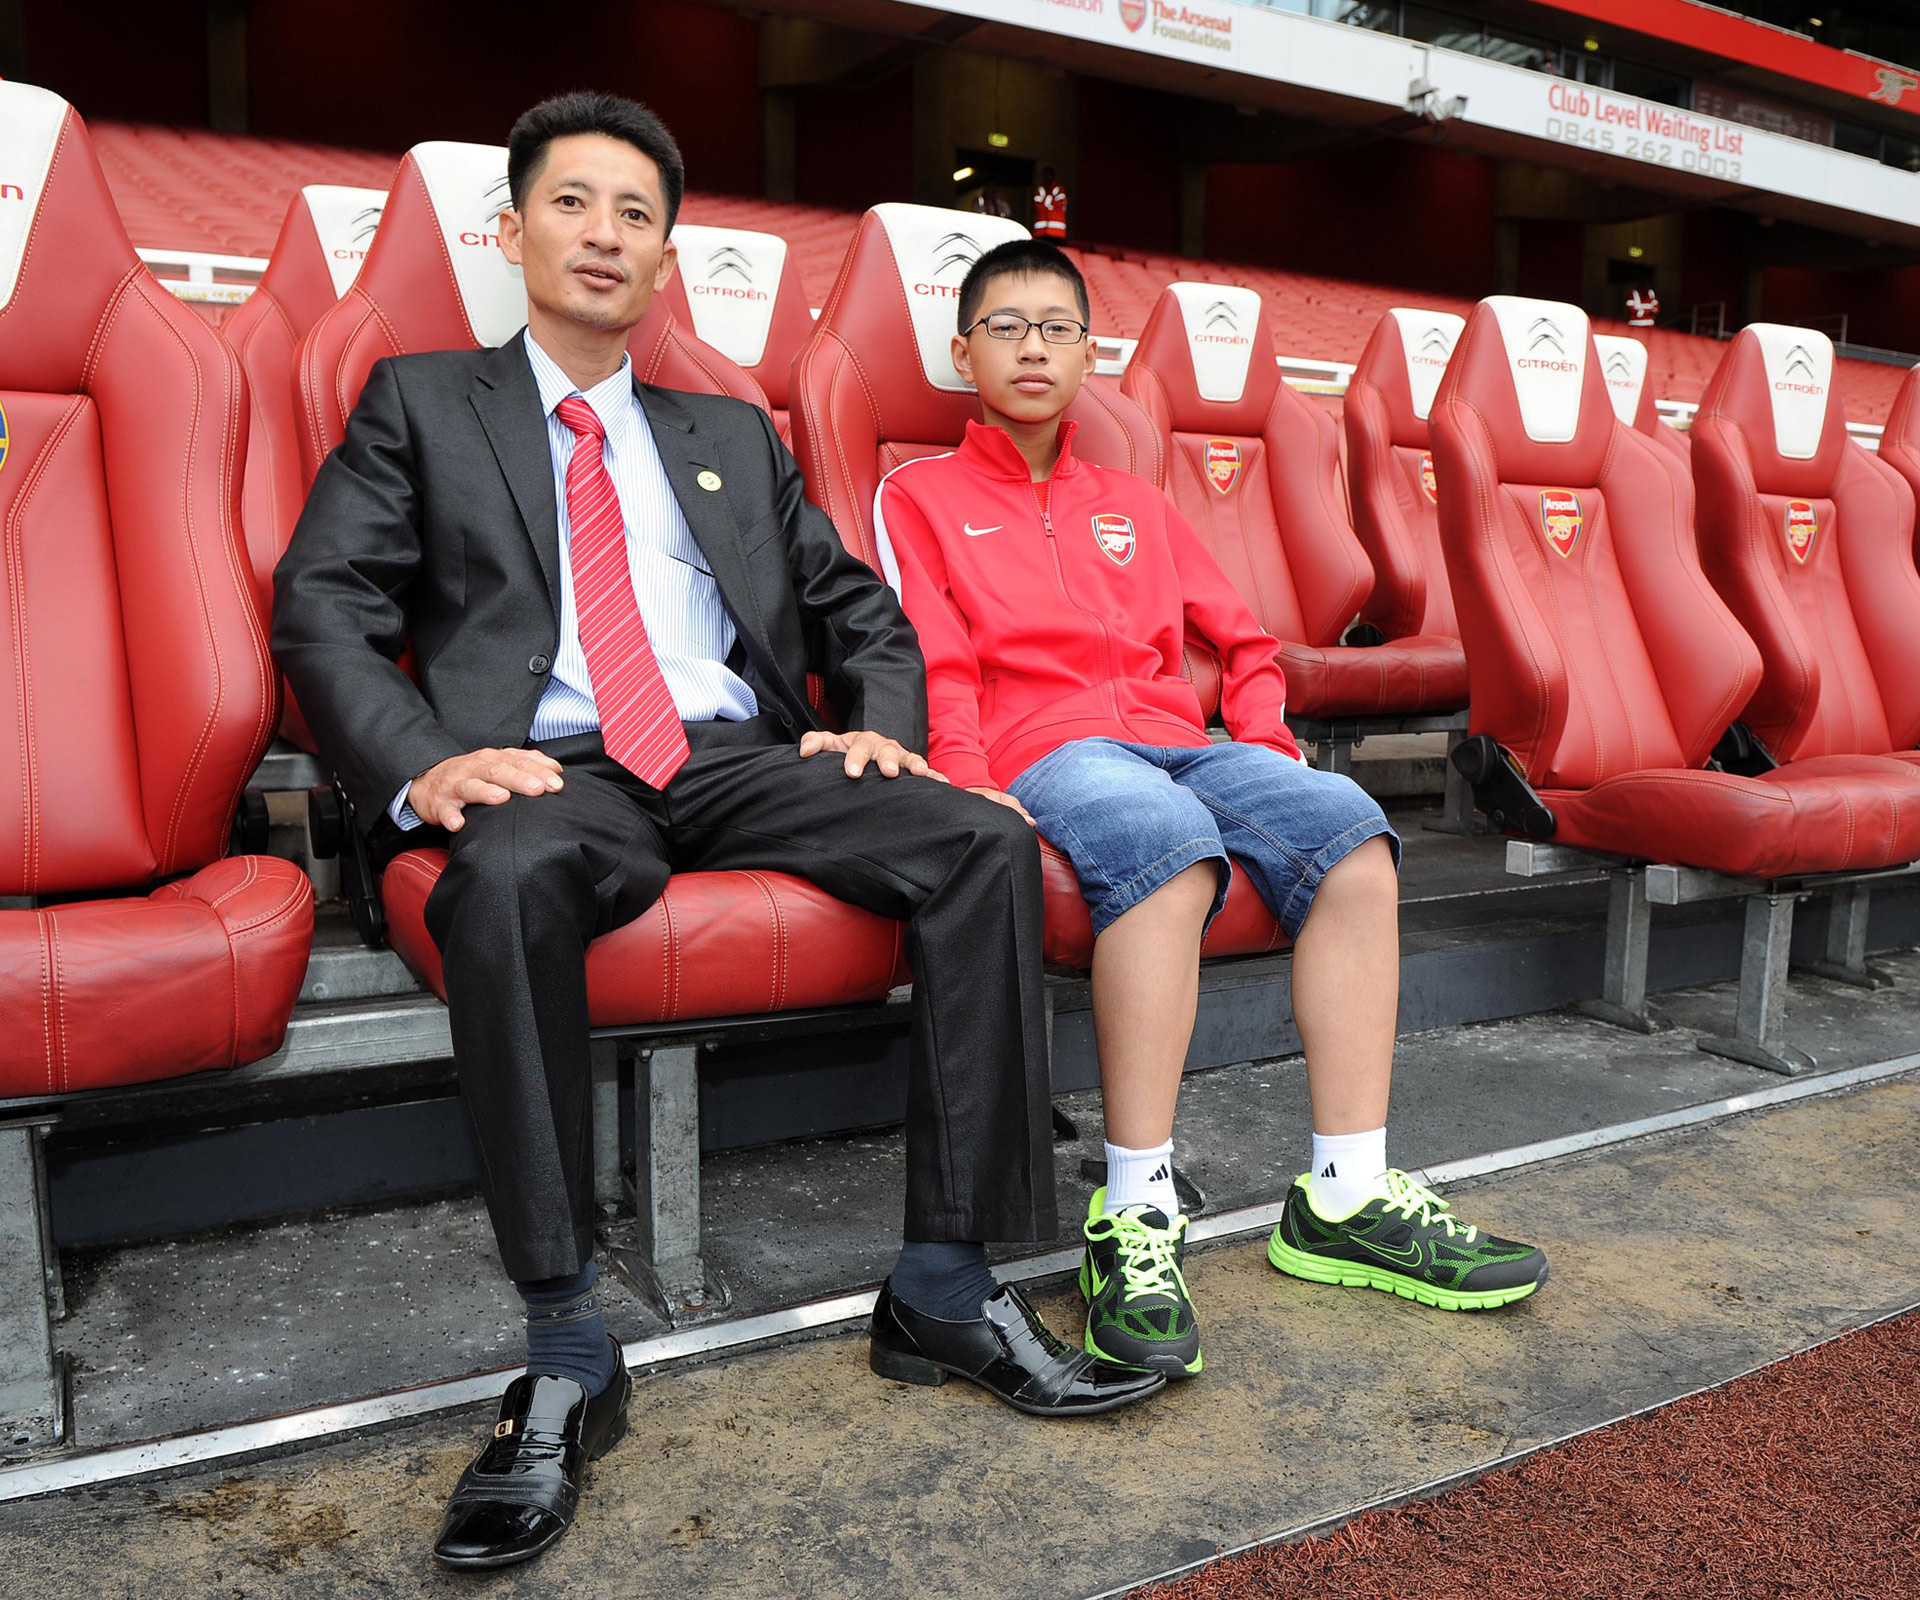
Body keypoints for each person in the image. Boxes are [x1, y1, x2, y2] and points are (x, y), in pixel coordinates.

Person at [273, 97, 1162, 1573]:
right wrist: (423, 766)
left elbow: (855, 610)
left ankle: (945, 1284)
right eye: (574, 205)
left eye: (635, 215)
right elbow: (324, 605)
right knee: (493, 879)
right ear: (514, 233)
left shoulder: (728, 435)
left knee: (979, 840)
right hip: (553, 765)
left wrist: (877, 714)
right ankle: (566, 1347)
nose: (605, 235)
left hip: (733, 753)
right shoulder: (422, 402)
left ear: (666, 256)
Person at [874, 239, 1549, 1384]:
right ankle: (1133, 1218)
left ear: (1092, 353)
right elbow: (933, 654)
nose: (1033, 348)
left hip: (1183, 742)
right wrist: (967, 770)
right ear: (963, 351)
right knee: (1164, 848)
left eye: (1057, 328)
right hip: (1054, 752)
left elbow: (1243, 639)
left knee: (1347, 830)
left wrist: (1268, 738)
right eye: (1005, 327)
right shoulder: (919, 494)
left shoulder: (1134, 499)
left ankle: (1344, 1192)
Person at [1032, 166, 1068, 240]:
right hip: (1040, 231)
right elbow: (1039, 207)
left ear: (1052, 176)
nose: (1045, 178)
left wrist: (1046, 204)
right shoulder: (1040, 190)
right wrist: (1051, 205)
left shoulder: (1059, 190)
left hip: (1057, 232)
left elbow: (1059, 204)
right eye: (1044, 176)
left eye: (1047, 175)